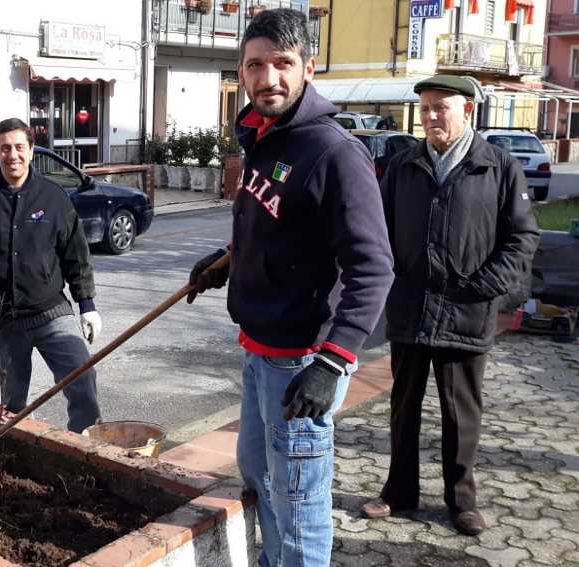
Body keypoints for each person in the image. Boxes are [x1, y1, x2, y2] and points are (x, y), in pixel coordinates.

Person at [186, 9, 394, 566]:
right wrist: (228, 261)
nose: (269, 77)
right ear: (242, 71)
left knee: (299, 505)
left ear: (309, 66)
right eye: (256, 65)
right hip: (258, 351)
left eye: (283, 63)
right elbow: (284, 229)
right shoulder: (264, 137)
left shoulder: (334, 153)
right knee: (262, 483)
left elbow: (373, 268)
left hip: (301, 362)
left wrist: (334, 361)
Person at [361, 75, 539, 536]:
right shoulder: (403, 166)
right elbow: (378, 231)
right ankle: (398, 492)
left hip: (466, 311)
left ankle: (461, 501)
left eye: (441, 107)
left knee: (461, 413)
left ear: (468, 111)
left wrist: (487, 286)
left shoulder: (497, 167)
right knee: (403, 407)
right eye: (424, 109)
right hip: (411, 309)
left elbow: (522, 238)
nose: (431, 116)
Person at [0, 118, 102, 434]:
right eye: (5, 148)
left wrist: (86, 304)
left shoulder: (53, 197)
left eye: (20, 147)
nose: (13, 155)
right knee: (12, 402)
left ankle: (84, 447)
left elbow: (75, 254)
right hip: (1, 320)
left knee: (82, 379)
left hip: (50, 312)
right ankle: (14, 454)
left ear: (32, 151)